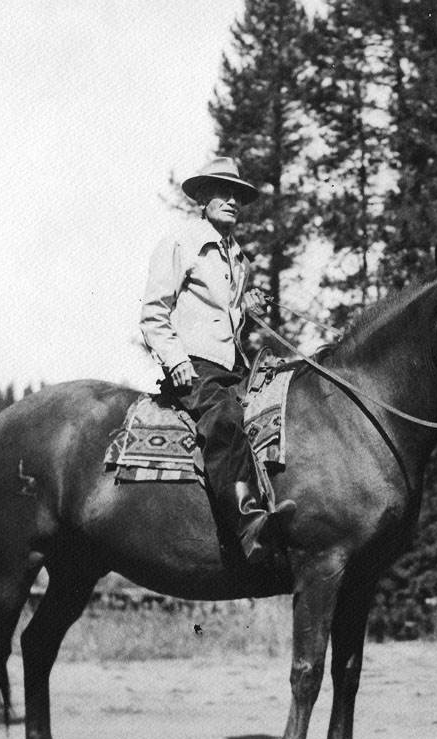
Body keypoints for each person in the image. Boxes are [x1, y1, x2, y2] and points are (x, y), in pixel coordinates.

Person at [140, 155, 290, 564]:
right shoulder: (180, 243)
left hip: (232, 367)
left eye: (237, 194)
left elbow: (221, 317)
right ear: (202, 197)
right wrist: (175, 360)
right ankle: (249, 527)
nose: (231, 201)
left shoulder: (237, 257)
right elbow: (154, 312)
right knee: (224, 421)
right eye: (222, 192)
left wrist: (245, 307)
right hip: (194, 366)